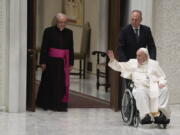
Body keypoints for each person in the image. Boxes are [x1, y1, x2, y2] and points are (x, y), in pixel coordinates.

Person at [107, 48, 171, 125]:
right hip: (140, 87)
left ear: (146, 56)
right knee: (140, 92)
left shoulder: (154, 64)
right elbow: (120, 66)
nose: (137, 57)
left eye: (140, 56)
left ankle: (161, 114)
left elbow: (161, 76)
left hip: (153, 86)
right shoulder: (132, 63)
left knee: (164, 89)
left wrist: (161, 83)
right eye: (137, 55)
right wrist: (113, 60)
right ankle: (145, 115)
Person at [36, 13, 74, 112]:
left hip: (63, 62)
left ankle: (60, 105)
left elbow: (70, 49)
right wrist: (43, 62)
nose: (63, 24)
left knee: (61, 84)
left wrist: (71, 63)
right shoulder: (48, 31)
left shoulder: (69, 32)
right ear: (56, 22)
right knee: (49, 83)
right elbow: (44, 47)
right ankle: (47, 104)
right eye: (61, 22)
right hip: (50, 61)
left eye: (64, 22)